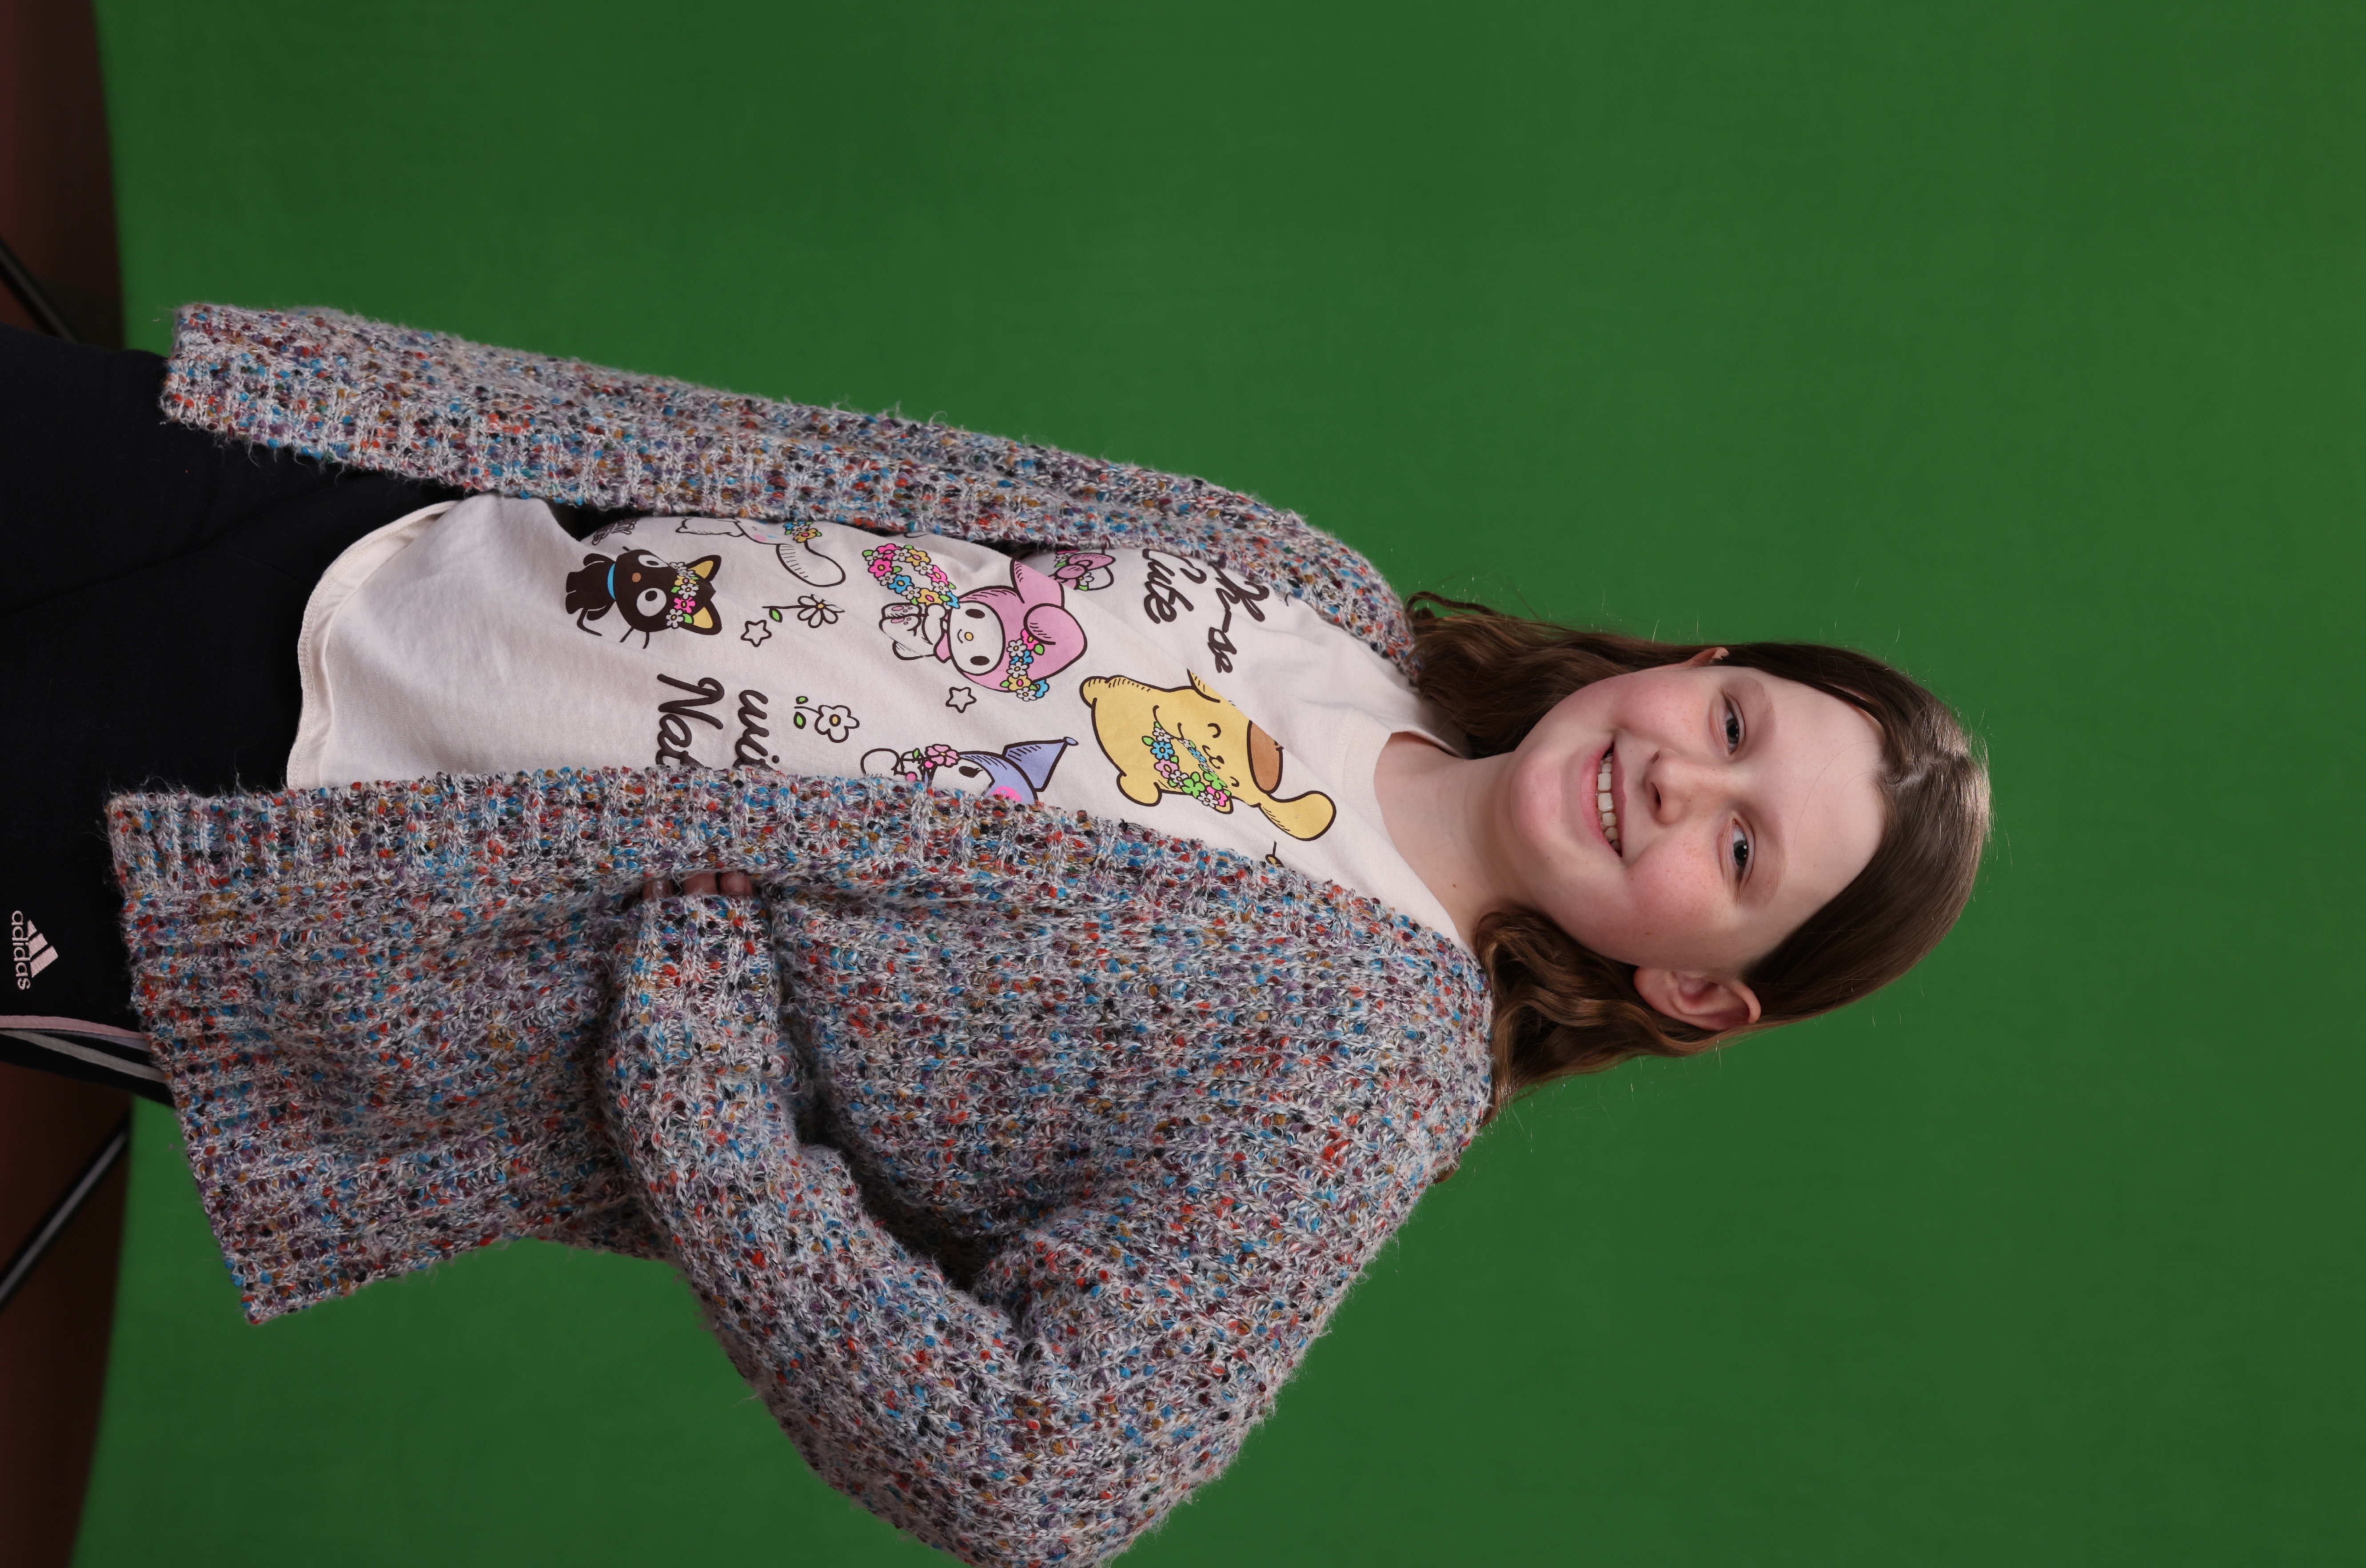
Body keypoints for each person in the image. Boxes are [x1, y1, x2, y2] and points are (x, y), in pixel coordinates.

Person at [1, 308, 1988, 1566]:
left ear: (1694, 989)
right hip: (369, 520)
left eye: (1743, 851)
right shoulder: (1328, 598)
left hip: (295, 861)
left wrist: (694, 1069)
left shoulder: (1363, 1080)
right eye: (1738, 726)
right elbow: (861, 503)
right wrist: (480, 434)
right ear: (1696, 665)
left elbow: (1045, 1464)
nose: (1682, 782)